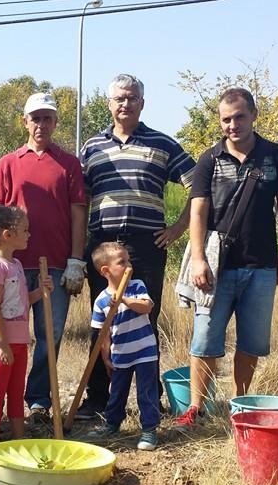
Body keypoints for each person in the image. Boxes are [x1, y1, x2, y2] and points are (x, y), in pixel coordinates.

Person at [77, 73, 197, 419]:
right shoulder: (91, 147)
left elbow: (197, 184)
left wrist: (178, 228)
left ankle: (149, 399)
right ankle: (98, 399)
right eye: (118, 98)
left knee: (146, 319)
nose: (125, 103)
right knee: (102, 321)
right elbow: (80, 198)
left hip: (146, 244)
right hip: (102, 247)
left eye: (131, 98)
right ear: (109, 103)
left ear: (142, 103)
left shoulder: (163, 144)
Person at [179, 88, 278, 428]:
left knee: (251, 342)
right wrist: (198, 259)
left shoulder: (275, 156)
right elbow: (198, 212)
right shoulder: (209, 159)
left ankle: (239, 405)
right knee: (204, 340)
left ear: (253, 115)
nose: (233, 125)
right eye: (226, 119)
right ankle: (197, 407)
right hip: (217, 267)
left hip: (261, 266)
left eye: (239, 117)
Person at [0, 92, 86, 424]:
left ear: (56, 122)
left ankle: (38, 400)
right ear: (25, 121)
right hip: (12, 265)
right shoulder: (9, 162)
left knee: (50, 334)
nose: (41, 124)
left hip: (54, 263)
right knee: (2, 330)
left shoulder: (69, 164)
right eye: (35, 117)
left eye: (48, 118)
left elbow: (77, 212)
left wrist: (76, 259)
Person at [0, 206, 52, 444]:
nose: (29, 235)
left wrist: (41, 291)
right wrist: (2, 345)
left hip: (19, 339)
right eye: (25, 230)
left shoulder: (16, 264)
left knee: (17, 391)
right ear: (7, 235)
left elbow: (21, 303)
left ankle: (19, 439)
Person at [84, 242, 161, 451]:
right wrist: (106, 356)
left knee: (146, 391)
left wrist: (124, 300)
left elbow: (147, 307)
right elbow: (103, 334)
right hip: (120, 352)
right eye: (122, 262)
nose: (129, 266)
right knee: (117, 391)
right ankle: (112, 423)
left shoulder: (136, 286)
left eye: (129, 260)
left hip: (145, 350)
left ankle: (149, 429)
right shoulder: (101, 300)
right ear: (106, 271)